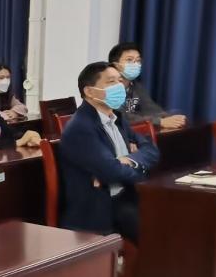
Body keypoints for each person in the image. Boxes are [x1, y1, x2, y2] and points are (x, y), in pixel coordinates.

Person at [58, 61, 161, 243]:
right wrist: (135, 168)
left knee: (173, 218)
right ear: (90, 91)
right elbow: (111, 171)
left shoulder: (117, 118)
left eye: (119, 81)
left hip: (127, 195)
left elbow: (152, 150)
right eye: (111, 82)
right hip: (100, 208)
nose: (119, 87)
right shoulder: (80, 127)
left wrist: (128, 160)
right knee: (157, 236)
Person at [108, 42, 186, 130]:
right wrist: (160, 121)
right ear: (116, 65)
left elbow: (150, 108)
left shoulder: (135, 86)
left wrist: (170, 117)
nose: (135, 64)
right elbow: (122, 117)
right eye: (129, 60)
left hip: (132, 131)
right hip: (113, 133)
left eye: (138, 60)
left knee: (176, 112)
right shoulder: (109, 88)